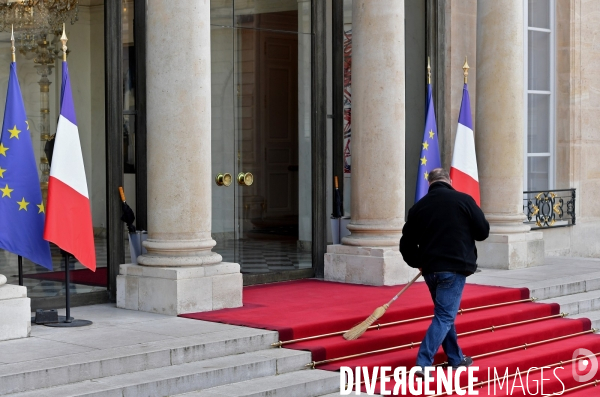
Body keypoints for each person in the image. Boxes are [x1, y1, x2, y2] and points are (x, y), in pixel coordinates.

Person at [400, 167, 489, 374]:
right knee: (445, 316)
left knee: (444, 314)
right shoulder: (464, 200)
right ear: (449, 180)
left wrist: (418, 262)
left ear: (429, 183)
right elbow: (483, 231)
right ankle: (423, 362)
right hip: (454, 268)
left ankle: (456, 358)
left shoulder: (418, 208)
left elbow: (405, 245)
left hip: (431, 270)